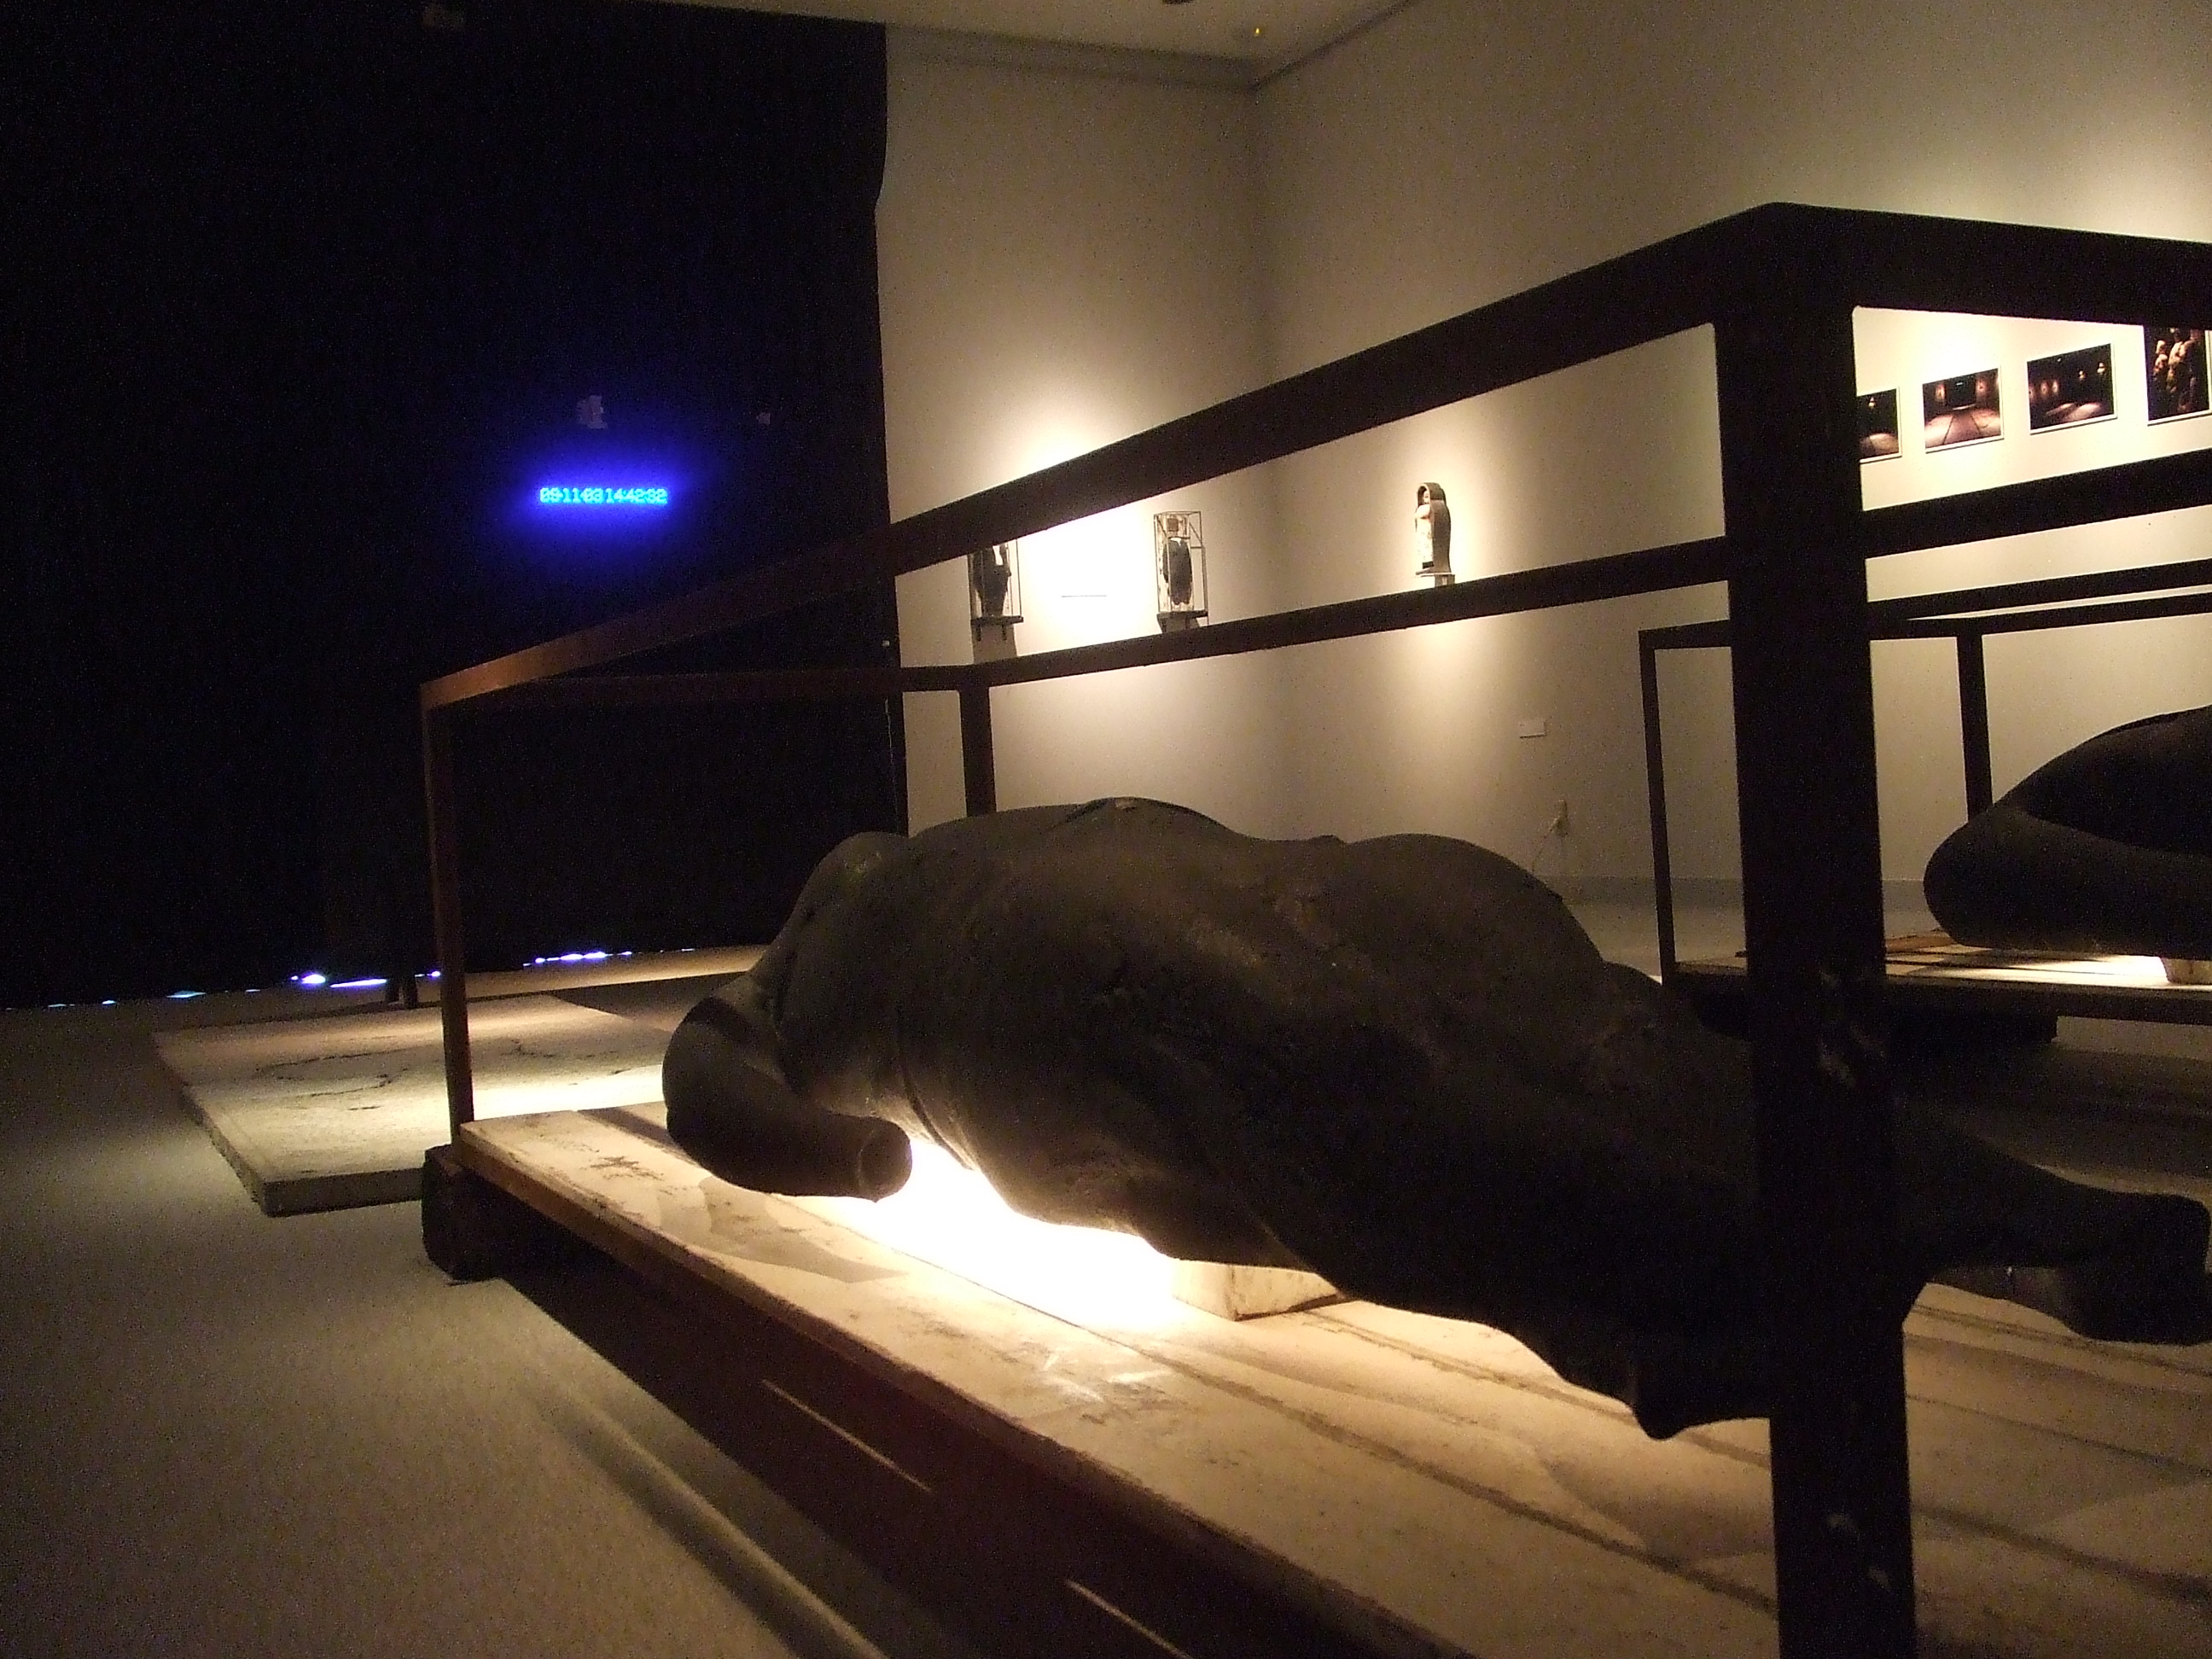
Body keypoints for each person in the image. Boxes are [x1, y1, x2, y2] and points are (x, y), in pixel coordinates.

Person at [666, 799, 2210, 1436]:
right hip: (1084, 954)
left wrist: (847, 1151)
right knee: (1391, 1068)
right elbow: (719, 1082)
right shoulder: (825, 948)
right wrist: (846, 1155)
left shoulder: (849, 920)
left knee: (1541, 1039)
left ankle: (1983, 1227)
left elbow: (714, 1074)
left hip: (1110, 932)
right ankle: (1947, 1230)